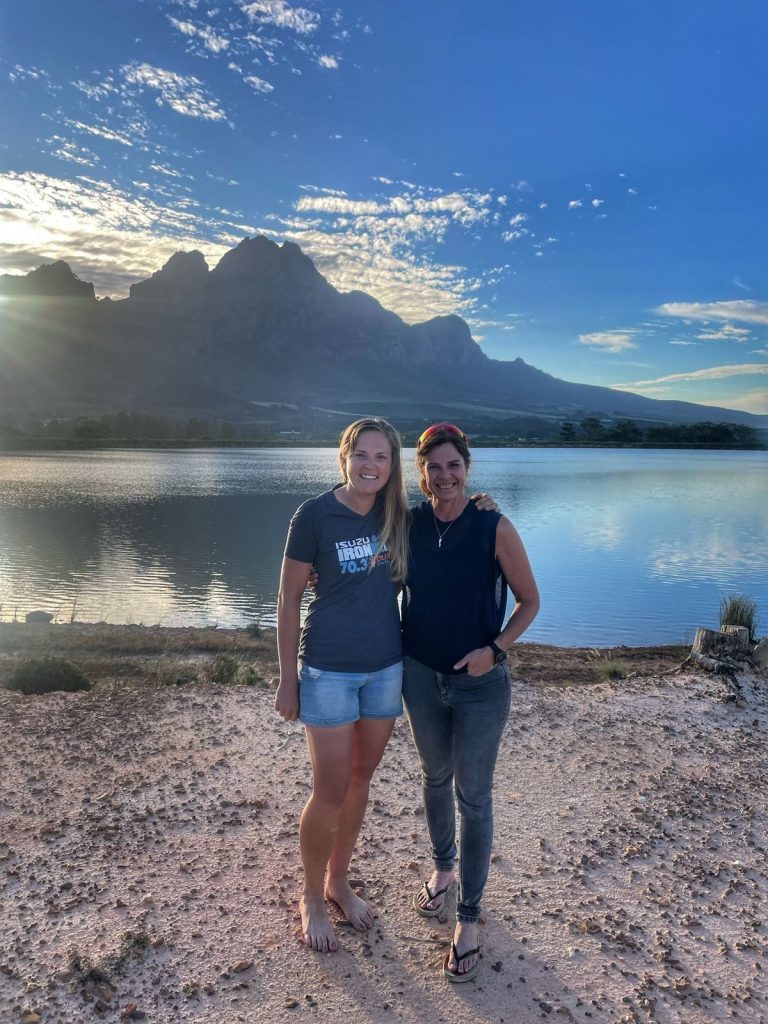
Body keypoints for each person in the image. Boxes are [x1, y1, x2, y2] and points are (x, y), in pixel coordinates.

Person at [402, 422, 540, 983]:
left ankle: (470, 917)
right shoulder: (408, 522)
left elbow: (530, 602)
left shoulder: (493, 525)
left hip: (480, 685)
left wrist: (495, 650)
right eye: (433, 467)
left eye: (453, 465)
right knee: (435, 778)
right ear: (422, 473)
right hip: (419, 675)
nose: (444, 476)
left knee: (474, 797)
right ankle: (443, 871)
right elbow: (373, 573)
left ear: (469, 466)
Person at [275, 417, 410, 953]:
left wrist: (484, 505)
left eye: (381, 457)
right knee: (329, 789)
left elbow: (454, 518)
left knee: (360, 779)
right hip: (328, 669)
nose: (370, 465)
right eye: (361, 455)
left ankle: (338, 880)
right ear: (344, 458)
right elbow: (287, 602)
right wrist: (289, 680)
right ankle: (310, 896)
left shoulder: (398, 515)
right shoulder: (313, 515)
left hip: (385, 669)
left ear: (392, 465)